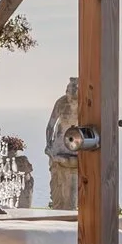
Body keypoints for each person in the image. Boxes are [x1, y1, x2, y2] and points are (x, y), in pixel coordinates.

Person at [43, 76, 81, 210]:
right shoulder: (61, 103)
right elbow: (50, 125)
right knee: (57, 188)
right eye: (70, 89)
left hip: (75, 148)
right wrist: (48, 144)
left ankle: (69, 214)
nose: (72, 92)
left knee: (71, 194)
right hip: (59, 146)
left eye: (75, 89)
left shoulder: (85, 105)